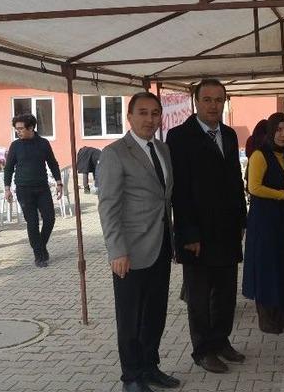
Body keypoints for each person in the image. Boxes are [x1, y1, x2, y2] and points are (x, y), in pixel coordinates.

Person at [97, 92, 179, 392]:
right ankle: (131, 377)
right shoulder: (115, 153)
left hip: (161, 245)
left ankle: (150, 367)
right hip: (130, 251)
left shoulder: (163, 149)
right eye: (143, 113)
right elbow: (108, 206)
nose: (150, 119)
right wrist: (117, 250)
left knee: (155, 313)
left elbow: (163, 198)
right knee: (131, 317)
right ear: (129, 117)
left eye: (155, 113)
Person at [167, 79, 247, 374]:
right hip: (197, 232)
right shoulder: (179, 136)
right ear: (196, 102)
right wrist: (188, 233)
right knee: (200, 296)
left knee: (226, 293)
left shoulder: (228, 134)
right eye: (207, 99)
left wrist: (241, 219)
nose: (214, 105)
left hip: (227, 229)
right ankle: (202, 350)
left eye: (218, 100)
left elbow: (235, 180)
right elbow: (179, 190)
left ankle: (221, 341)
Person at [243, 113, 284, 333]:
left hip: (282, 218)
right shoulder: (259, 155)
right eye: (278, 130)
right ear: (270, 132)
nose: (283, 134)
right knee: (267, 267)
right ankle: (268, 320)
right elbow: (254, 187)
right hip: (264, 220)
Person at [3, 114, 62, 268]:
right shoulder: (15, 146)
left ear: (31, 128)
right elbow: (8, 168)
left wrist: (59, 182)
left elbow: (53, 163)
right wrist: (7, 188)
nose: (18, 131)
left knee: (49, 218)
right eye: (16, 129)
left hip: (42, 188)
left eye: (21, 129)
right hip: (23, 189)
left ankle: (40, 246)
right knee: (33, 222)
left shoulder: (43, 143)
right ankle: (39, 255)